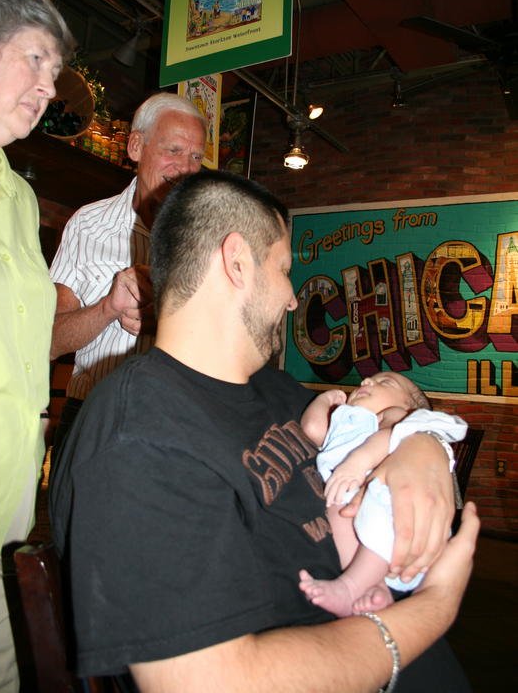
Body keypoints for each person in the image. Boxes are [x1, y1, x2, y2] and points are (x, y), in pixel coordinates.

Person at [49, 170, 479, 693]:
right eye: (284, 270)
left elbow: (387, 429)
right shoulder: (141, 435)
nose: (294, 299)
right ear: (236, 262)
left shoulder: (278, 391)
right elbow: (206, 684)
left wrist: (421, 446)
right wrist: (433, 610)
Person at [0, 0, 75, 693]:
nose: (49, 86)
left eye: (57, 71)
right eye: (35, 58)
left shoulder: (18, 196)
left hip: (10, 495)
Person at [49, 91, 207, 450]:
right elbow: (50, 341)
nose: (185, 168)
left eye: (196, 156)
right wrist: (108, 308)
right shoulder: (87, 225)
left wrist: (168, 320)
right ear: (136, 146)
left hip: (177, 423)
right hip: (92, 414)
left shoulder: (212, 236)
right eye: (173, 150)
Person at [298, 373, 467, 617]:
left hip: (382, 486)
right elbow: (312, 430)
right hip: (345, 492)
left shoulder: (396, 415)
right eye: (366, 381)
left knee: (374, 517)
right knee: (339, 516)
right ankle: (373, 586)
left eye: (385, 382)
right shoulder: (344, 419)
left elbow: (389, 437)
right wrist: (324, 400)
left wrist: (357, 464)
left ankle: (351, 587)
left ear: (409, 406)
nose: (366, 382)